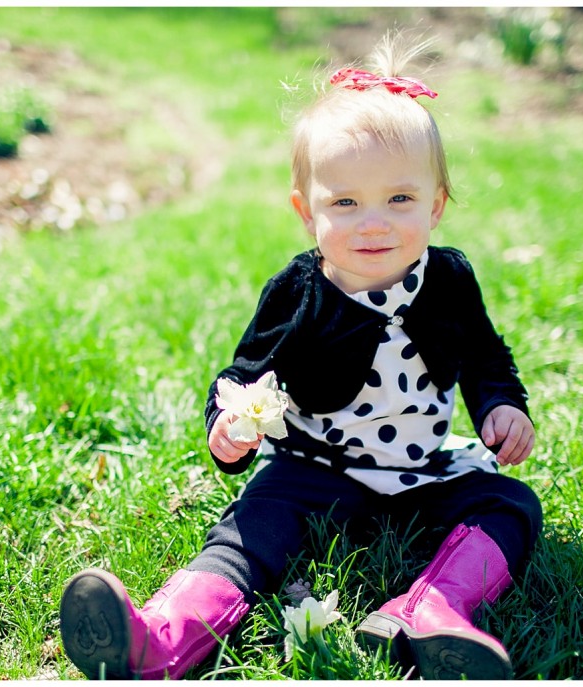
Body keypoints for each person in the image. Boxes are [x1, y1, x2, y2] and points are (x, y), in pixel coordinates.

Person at [59, 32, 542, 681]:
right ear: (305, 211)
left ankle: (432, 612)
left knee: (511, 505)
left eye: (399, 199)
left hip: (421, 466)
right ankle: (159, 639)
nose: (374, 222)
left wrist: (502, 403)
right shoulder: (301, 290)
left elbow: (486, 354)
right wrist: (227, 426)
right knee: (253, 522)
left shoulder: (450, 278)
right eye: (345, 202)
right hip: (317, 465)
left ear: (436, 204)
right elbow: (243, 373)